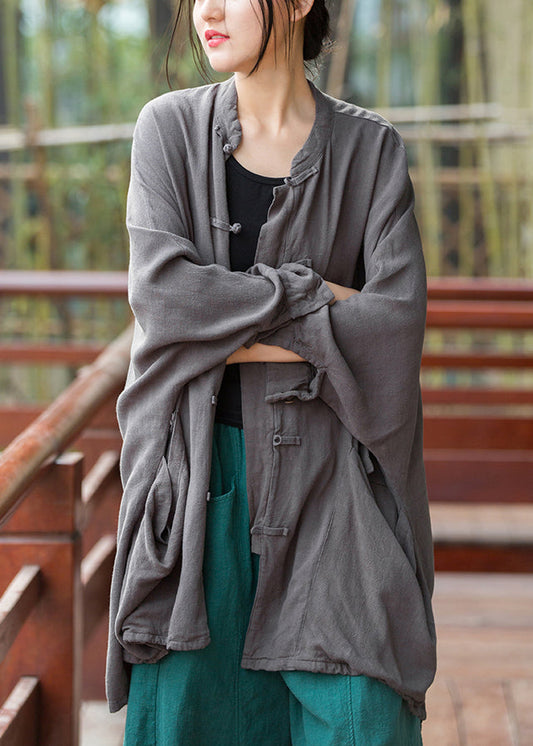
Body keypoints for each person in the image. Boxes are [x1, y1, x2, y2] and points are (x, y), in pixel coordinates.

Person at [105, 0, 437, 743]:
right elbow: (166, 301)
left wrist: (218, 324)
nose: (207, 10)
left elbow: (391, 329)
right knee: (190, 716)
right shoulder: (167, 129)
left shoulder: (370, 150)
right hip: (197, 487)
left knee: (362, 718)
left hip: (337, 489)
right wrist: (318, 299)